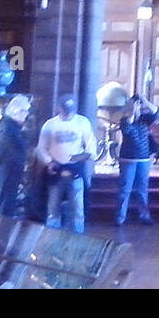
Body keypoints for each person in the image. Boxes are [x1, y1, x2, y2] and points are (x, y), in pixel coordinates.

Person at [36, 96, 98, 234]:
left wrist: (86, 155)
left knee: (78, 210)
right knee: (53, 209)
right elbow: (41, 148)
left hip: (75, 170)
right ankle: (51, 237)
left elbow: (90, 144)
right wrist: (48, 162)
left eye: (70, 110)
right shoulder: (50, 125)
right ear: (59, 108)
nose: (68, 113)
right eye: (65, 110)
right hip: (55, 170)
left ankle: (77, 238)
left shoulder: (83, 122)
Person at [115, 93, 158, 226]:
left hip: (143, 159)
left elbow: (156, 112)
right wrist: (131, 112)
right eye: (134, 105)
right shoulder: (124, 120)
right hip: (128, 159)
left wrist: (144, 100)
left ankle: (144, 215)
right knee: (125, 189)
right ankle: (120, 217)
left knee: (142, 189)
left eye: (138, 105)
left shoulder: (145, 119)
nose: (137, 107)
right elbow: (127, 130)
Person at [0, 94, 31, 216]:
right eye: (25, 111)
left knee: (7, 207)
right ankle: (0, 233)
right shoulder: (7, 128)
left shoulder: (14, 128)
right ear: (16, 111)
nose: (27, 114)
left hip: (11, 172)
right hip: (6, 172)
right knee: (3, 208)